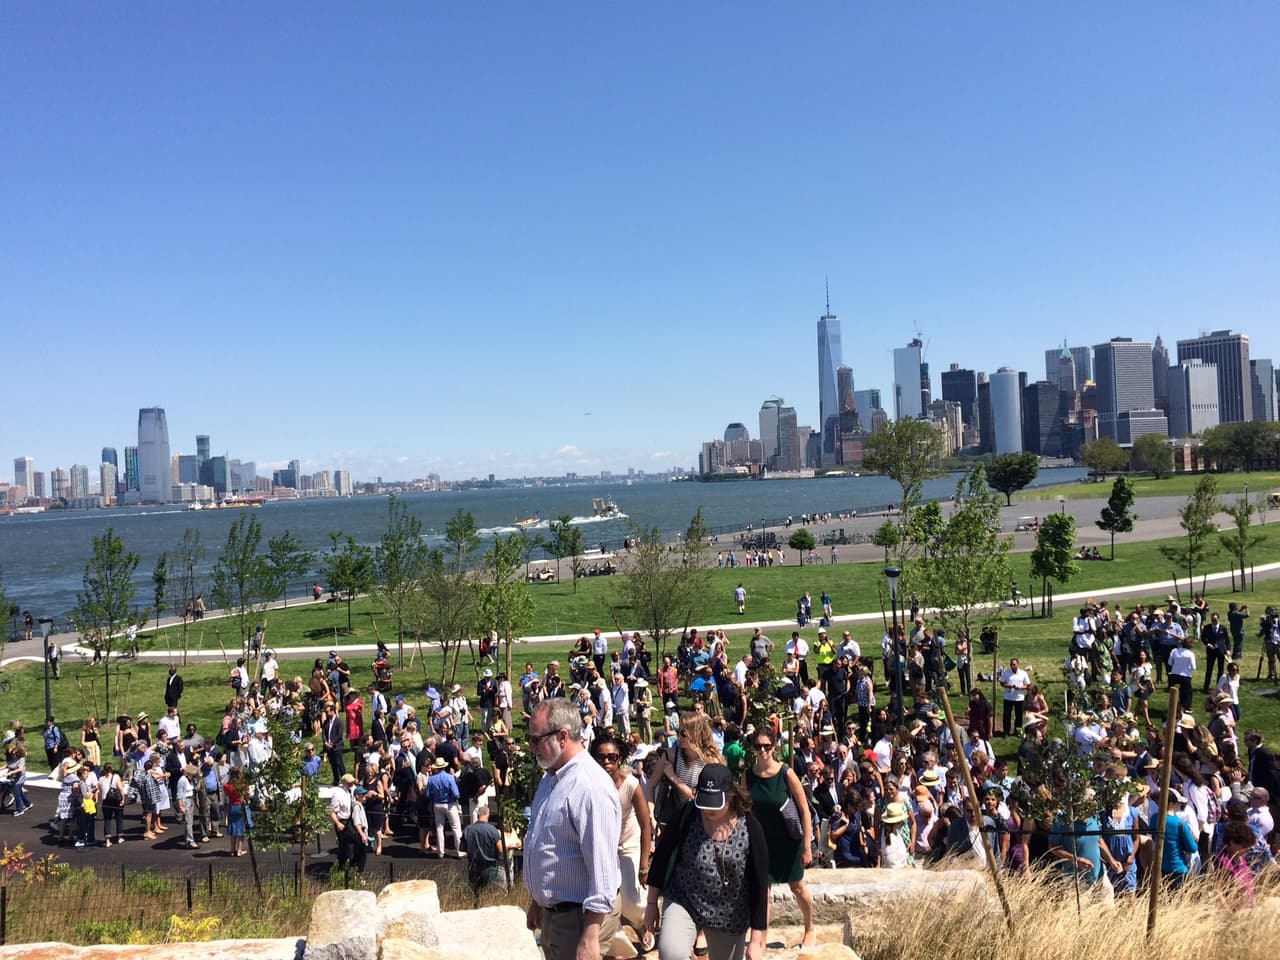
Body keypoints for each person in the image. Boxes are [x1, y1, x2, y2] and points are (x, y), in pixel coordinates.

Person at [523, 699, 622, 960]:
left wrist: (590, 936)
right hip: (555, 916)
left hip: (581, 919)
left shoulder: (590, 787)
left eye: (536, 739)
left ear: (563, 736)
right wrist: (538, 901)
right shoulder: (552, 778)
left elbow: (603, 869)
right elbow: (549, 844)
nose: (531, 747)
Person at [645, 764, 768, 960]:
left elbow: (760, 885)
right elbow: (662, 857)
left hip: (730, 913)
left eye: (715, 803)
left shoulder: (751, 828)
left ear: (731, 795)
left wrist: (756, 940)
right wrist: (652, 904)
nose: (709, 810)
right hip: (684, 899)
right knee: (671, 954)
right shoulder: (687, 815)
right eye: (705, 802)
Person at [745, 729, 815, 947]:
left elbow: (804, 809)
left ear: (774, 746)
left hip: (788, 839)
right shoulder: (748, 775)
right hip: (762, 841)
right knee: (762, 890)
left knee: (797, 886)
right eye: (758, 746)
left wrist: (807, 846)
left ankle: (810, 927)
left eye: (767, 745)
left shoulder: (786, 773)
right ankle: (761, 936)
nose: (763, 750)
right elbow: (745, 809)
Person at [592, 734, 654, 949]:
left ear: (620, 758)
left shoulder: (631, 784)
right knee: (606, 898)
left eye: (612, 757)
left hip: (628, 842)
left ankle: (640, 923)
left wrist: (644, 865)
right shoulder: (591, 784)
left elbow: (646, 824)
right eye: (601, 758)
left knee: (632, 900)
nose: (607, 762)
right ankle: (613, 942)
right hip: (602, 847)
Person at [462, 804, 507, 896]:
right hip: (490, 868)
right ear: (488, 815)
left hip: (473, 867)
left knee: (475, 894)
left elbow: (461, 847)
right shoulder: (492, 830)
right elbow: (501, 850)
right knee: (492, 894)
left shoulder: (468, 829)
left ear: (478, 815)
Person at [998, 658, 1029, 737]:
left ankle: (1017, 731)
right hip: (1008, 697)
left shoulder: (1023, 673)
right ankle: (1006, 732)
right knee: (1007, 715)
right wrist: (1009, 686)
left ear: (1018, 664)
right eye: (1011, 664)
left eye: (1014, 664)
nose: (1012, 666)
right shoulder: (1006, 673)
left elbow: (1028, 685)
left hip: (1019, 698)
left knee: (1019, 716)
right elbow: (1002, 683)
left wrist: (1021, 687)